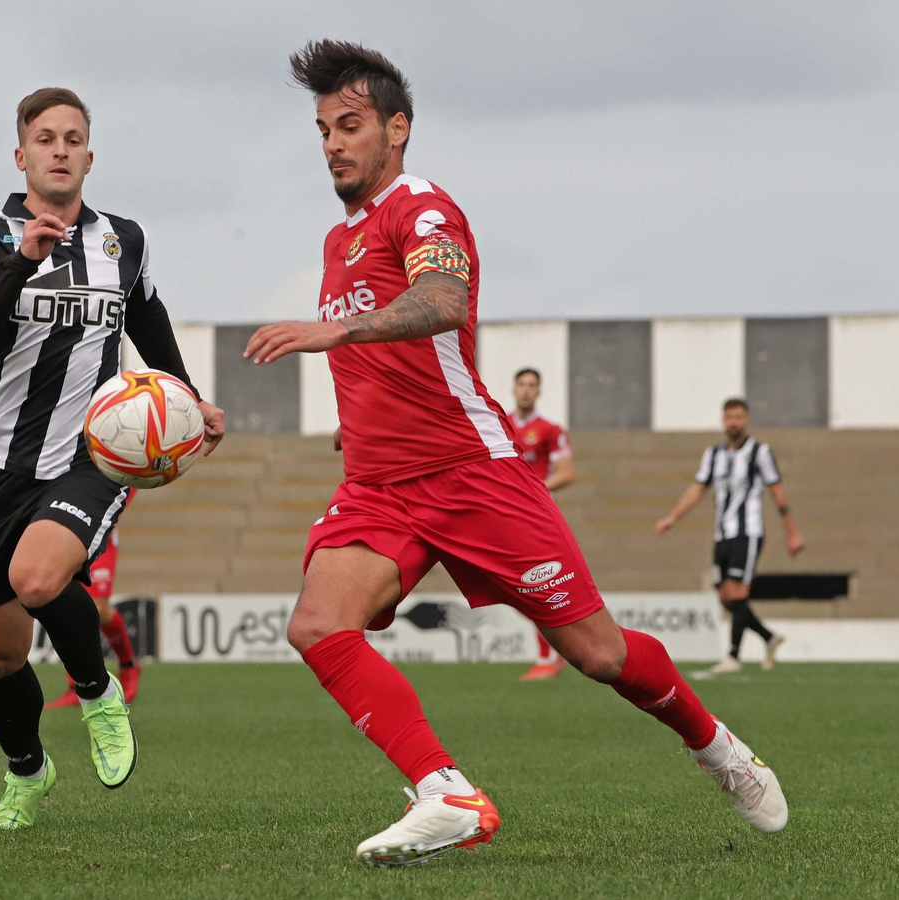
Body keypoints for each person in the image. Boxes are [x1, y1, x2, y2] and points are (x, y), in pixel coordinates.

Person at [244, 41, 788, 867]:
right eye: (322, 130)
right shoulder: (337, 241)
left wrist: (340, 330)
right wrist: (356, 421)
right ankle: (445, 791)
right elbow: (382, 362)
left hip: (472, 473)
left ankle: (717, 748)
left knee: (599, 655)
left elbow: (442, 298)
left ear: (398, 128)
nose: (332, 144)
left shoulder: (423, 208)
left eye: (349, 125)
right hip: (381, 484)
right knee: (318, 624)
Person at [0, 87, 224, 830]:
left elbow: (147, 316)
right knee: (0, 657)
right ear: (22, 155)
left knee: (40, 577)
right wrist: (20, 264)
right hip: (2, 466)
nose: (60, 149)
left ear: (89, 156)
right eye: (46, 138)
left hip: (92, 456)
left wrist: (191, 401)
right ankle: (27, 772)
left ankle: (101, 696)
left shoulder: (122, 239)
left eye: (73, 138)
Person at [655, 398, 805, 673]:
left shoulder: (759, 451)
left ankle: (733, 656)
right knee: (726, 597)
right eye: (729, 418)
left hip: (748, 531)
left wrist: (792, 533)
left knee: (737, 591)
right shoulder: (714, 455)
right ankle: (768, 637)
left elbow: (777, 492)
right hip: (722, 533)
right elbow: (697, 489)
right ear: (723, 420)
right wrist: (672, 518)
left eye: (738, 417)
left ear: (746, 420)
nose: (733, 422)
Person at [508, 367, 578, 682]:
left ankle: (548, 658)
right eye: (521, 384)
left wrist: (535, 489)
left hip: (533, 514)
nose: (526, 390)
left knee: (537, 585)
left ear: (539, 391)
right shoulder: (498, 423)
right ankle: (558, 646)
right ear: (513, 388)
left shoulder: (549, 429)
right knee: (514, 589)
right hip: (502, 513)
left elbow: (567, 472)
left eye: (532, 385)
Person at [45, 491, 141, 708]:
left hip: (100, 533)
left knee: (98, 608)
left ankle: (128, 665)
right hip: (66, 532)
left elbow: (132, 474)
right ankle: (76, 686)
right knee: (61, 603)